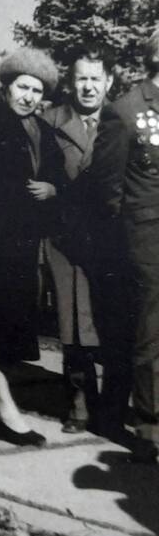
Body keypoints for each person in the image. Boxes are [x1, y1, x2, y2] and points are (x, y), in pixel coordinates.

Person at [0, 48, 66, 447]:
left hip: (22, 247)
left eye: (37, 90)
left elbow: (58, 178)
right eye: (23, 86)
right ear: (7, 85)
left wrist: (53, 189)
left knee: (5, 329)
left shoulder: (40, 130)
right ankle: (6, 411)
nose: (29, 96)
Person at [93, 27, 159, 462]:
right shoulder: (127, 109)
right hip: (147, 233)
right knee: (152, 326)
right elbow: (106, 184)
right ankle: (151, 425)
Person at [42, 47, 113, 433]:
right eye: (81, 78)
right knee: (71, 322)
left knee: (109, 320)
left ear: (109, 82)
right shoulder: (50, 121)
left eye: (95, 78)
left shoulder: (122, 123)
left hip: (109, 240)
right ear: (71, 83)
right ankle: (78, 401)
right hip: (65, 238)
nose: (88, 87)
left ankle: (113, 403)